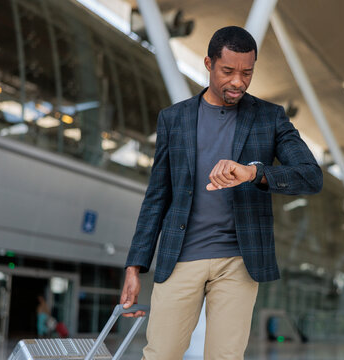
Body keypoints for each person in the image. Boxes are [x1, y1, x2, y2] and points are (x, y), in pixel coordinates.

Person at [120, 26, 323, 359]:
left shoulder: (269, 118)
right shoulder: (174, 119)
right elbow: (157, 196)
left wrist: (253, 172)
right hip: (180, 256)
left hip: (238, 260)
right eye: (228, 71)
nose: (238, 82)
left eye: (247, 73)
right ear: (209, 64)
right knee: (160, 353)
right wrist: (134, 267)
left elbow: (310, 176)